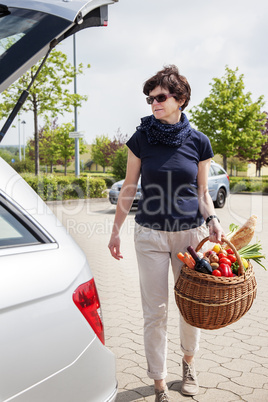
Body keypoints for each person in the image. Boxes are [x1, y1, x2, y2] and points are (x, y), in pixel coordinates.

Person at [108, 65, 224, 402]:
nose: (153, 103)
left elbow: (203, 193)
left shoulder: (199, 142)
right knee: (155, 311)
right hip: (150, 236)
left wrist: (213, 220)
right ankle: (159, 381)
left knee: (190, 306)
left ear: (181, 99)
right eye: (150, 98)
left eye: (160, 96)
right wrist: (115, 231)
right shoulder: (141, 138)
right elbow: (130, 188)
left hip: (191, 236)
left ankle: (188, 364)